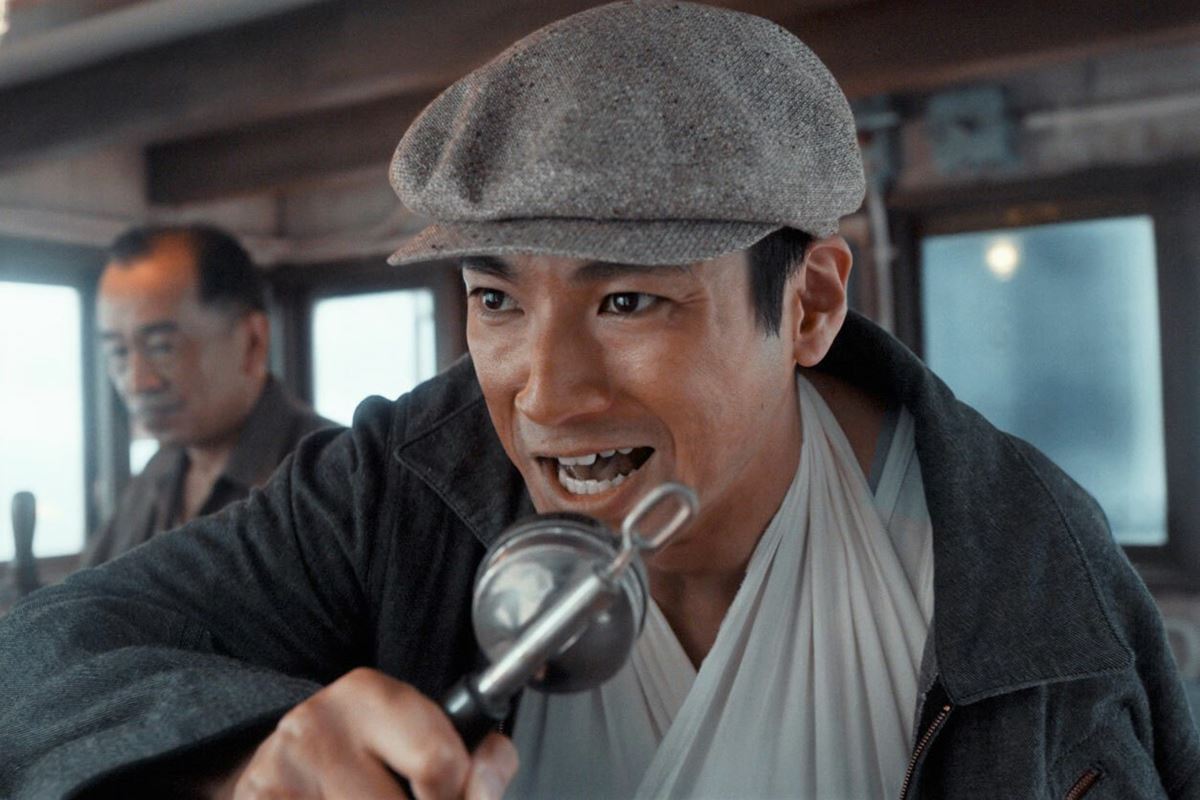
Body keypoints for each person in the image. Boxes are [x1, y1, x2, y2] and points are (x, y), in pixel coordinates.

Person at [0, 3, 1197, 799]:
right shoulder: (397, 490)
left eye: (629, 300)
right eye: (495, 299)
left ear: (812, 304)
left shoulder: (1023, 553)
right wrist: (236, 762)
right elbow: (35, 662)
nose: (545, 393)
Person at [83, 224, 337, 566]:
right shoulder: (159, 472)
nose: (138, 382)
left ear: (252, 341)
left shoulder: (329, 476)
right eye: (118, 352)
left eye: (161, 347)